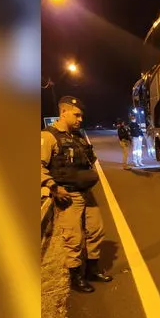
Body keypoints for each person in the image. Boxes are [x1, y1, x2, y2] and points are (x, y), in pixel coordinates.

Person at [41, 96, 113, 292]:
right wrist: (54, 188)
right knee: (72, 237)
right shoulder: (49, 137)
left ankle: (92, 270)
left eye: (81, 115)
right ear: (63, 112)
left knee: (96, 230)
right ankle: (75, 277)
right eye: (77, 115)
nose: (80, 119)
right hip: (68, 194)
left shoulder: (77, 136)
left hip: (86, 192)